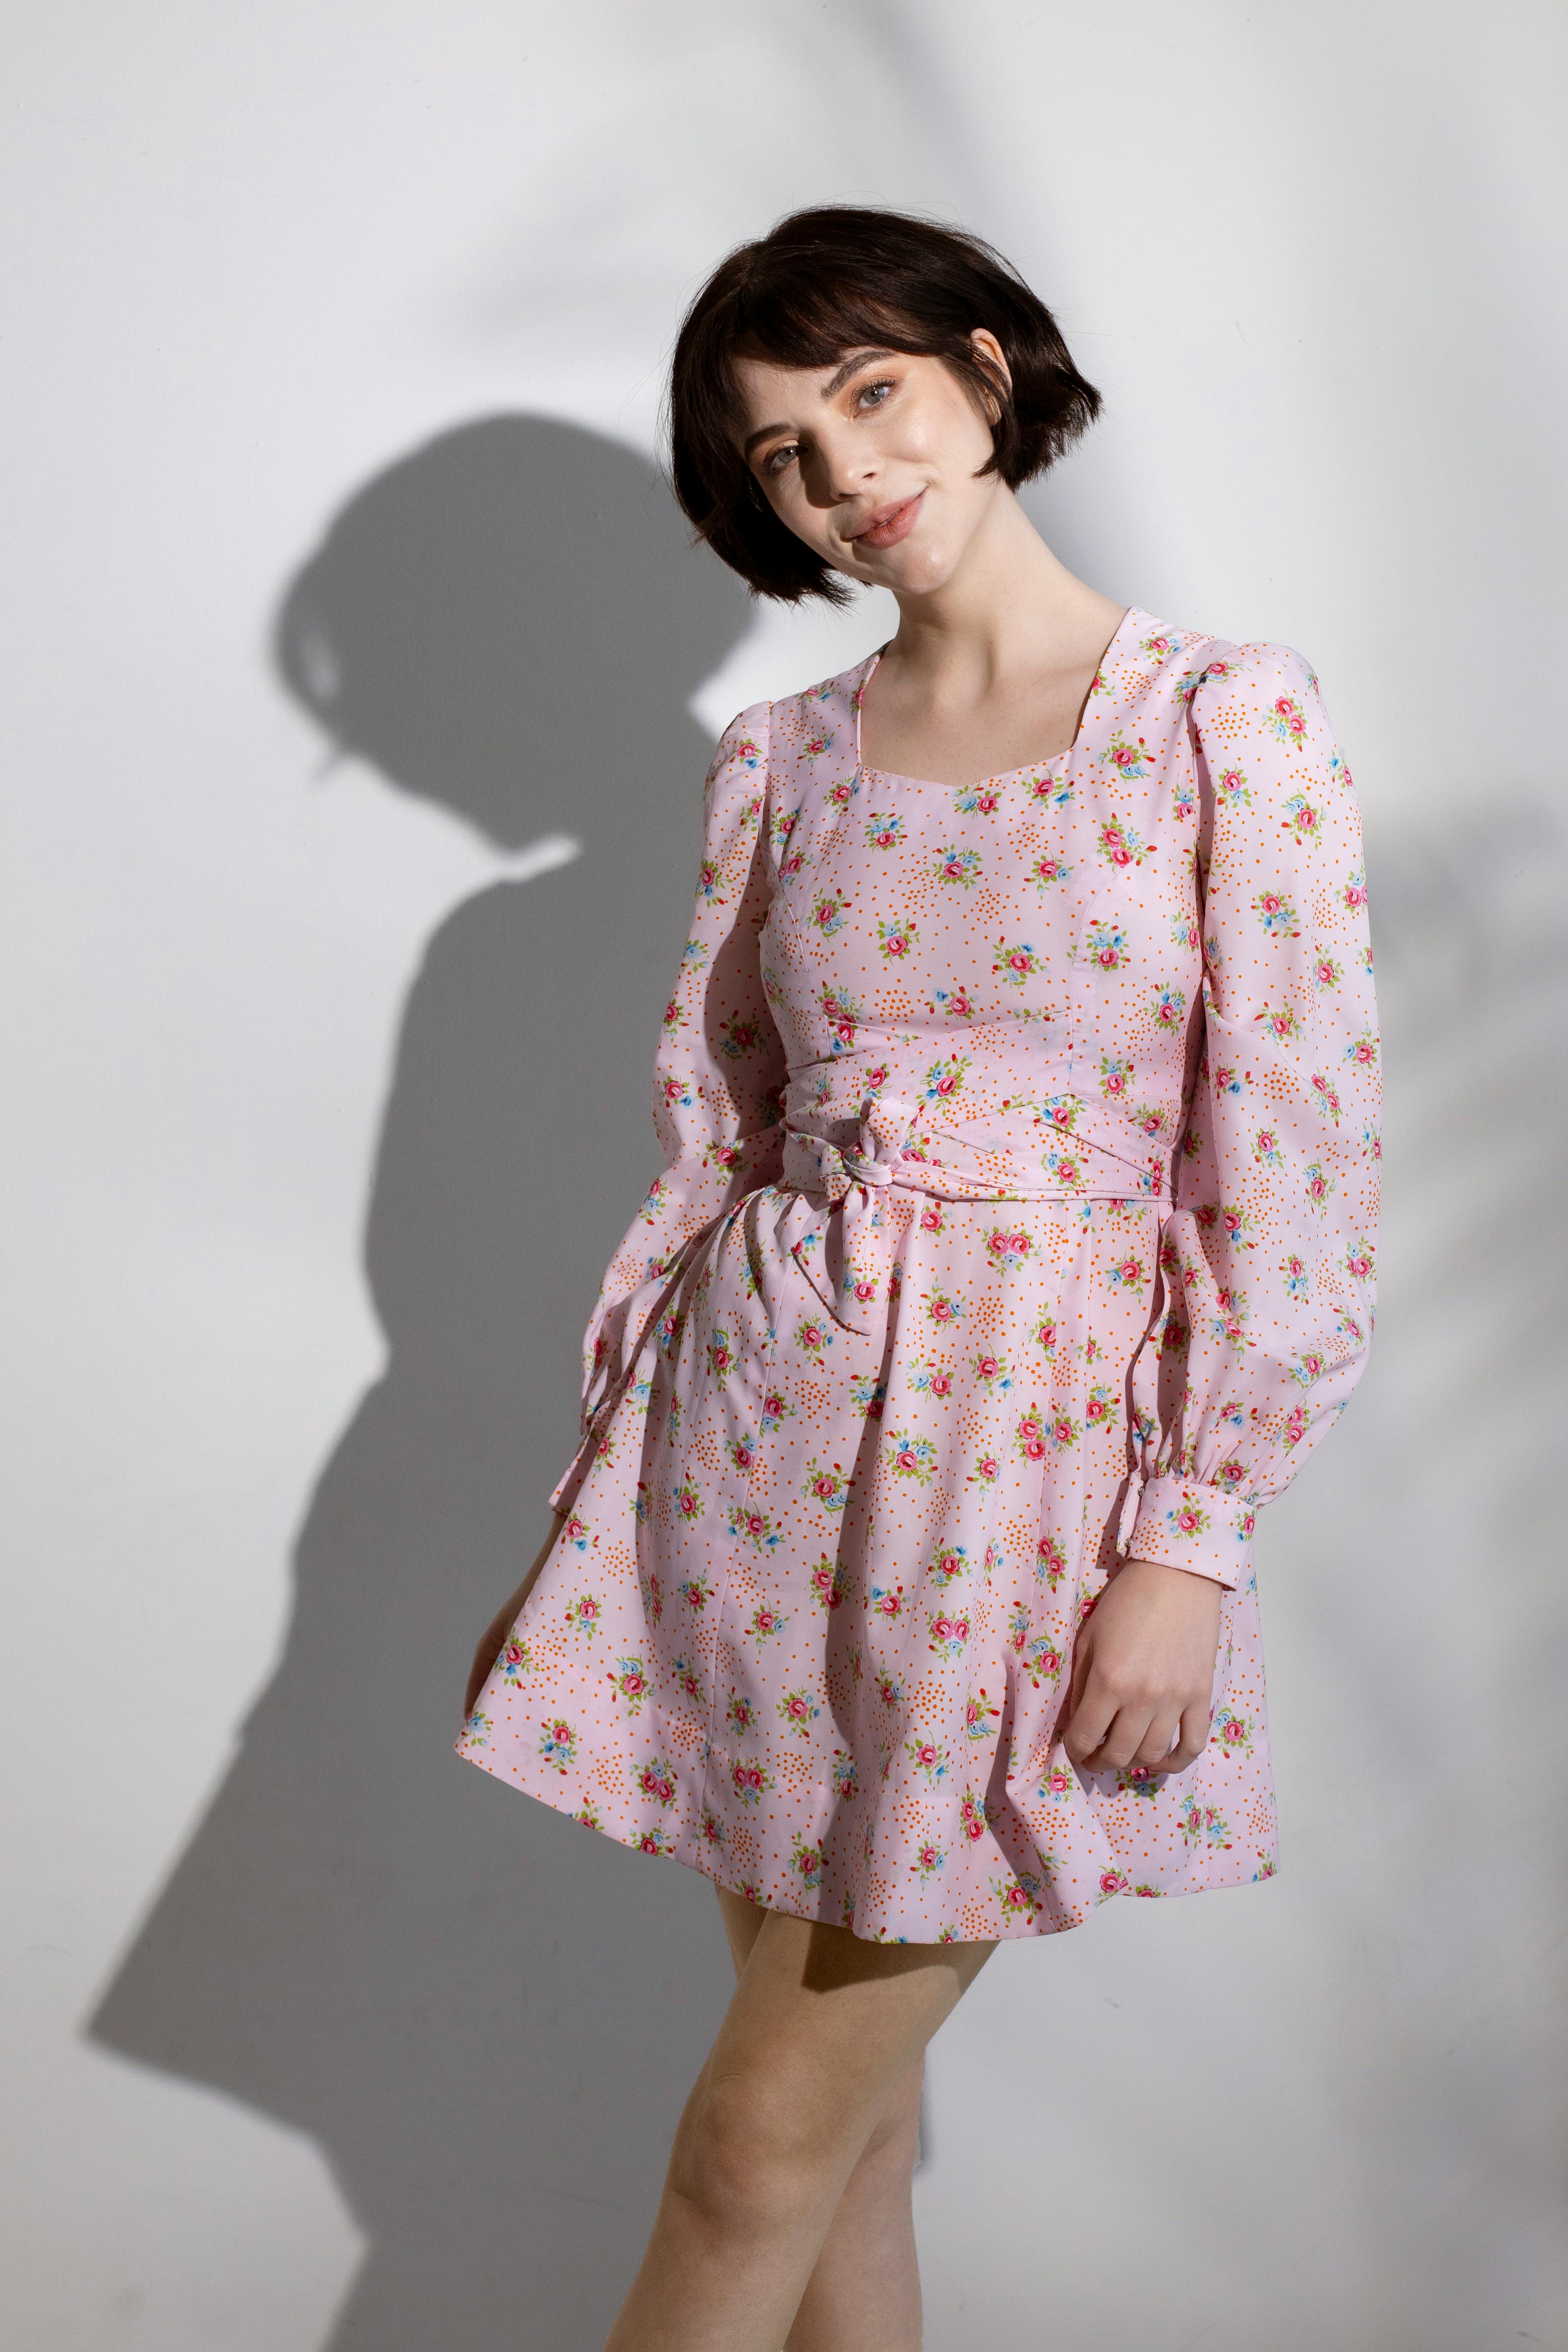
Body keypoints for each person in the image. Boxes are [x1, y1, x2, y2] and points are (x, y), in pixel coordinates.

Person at [458, 205, 1379, 2351]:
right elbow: (721, 1135)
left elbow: (1299, 1160)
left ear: (978, 369)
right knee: (842, 2157)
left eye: (866, 392)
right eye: (781, 453)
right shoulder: (776, 762)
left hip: (1025, 1492)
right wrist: (612, 1491)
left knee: (748, 2150)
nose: (843, 468)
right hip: (748, 1458)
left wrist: (1191, 1534)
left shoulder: (1218, 721)